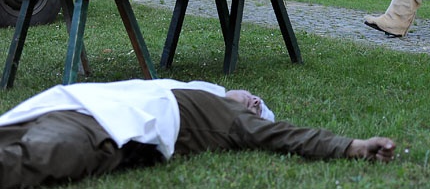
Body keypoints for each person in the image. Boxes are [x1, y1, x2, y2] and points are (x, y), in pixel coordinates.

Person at [0, 79, 395, 188]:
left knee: (41, 155)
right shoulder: (189, 86)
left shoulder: (228, 117)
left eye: (260, 110)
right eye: (255, 98)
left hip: (102, 132)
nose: (256, 103)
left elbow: (286, 136)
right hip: (67, 105)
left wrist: (351, 147)